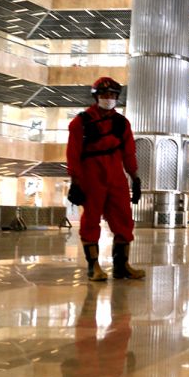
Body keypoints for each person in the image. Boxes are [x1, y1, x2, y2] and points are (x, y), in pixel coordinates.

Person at [66, 77, 144, 280]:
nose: (109, 98)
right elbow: (73, 153)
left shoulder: (121, 123)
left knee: (124, 219)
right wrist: (75, 180)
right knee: (91, 219)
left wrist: (134, 177)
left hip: (116, 176)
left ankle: (121, 266)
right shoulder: (80, 122)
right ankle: (94, 267)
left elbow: (129, 152)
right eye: (104, 95)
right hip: (91, 175)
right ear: (96, 96)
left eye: (112, 95)